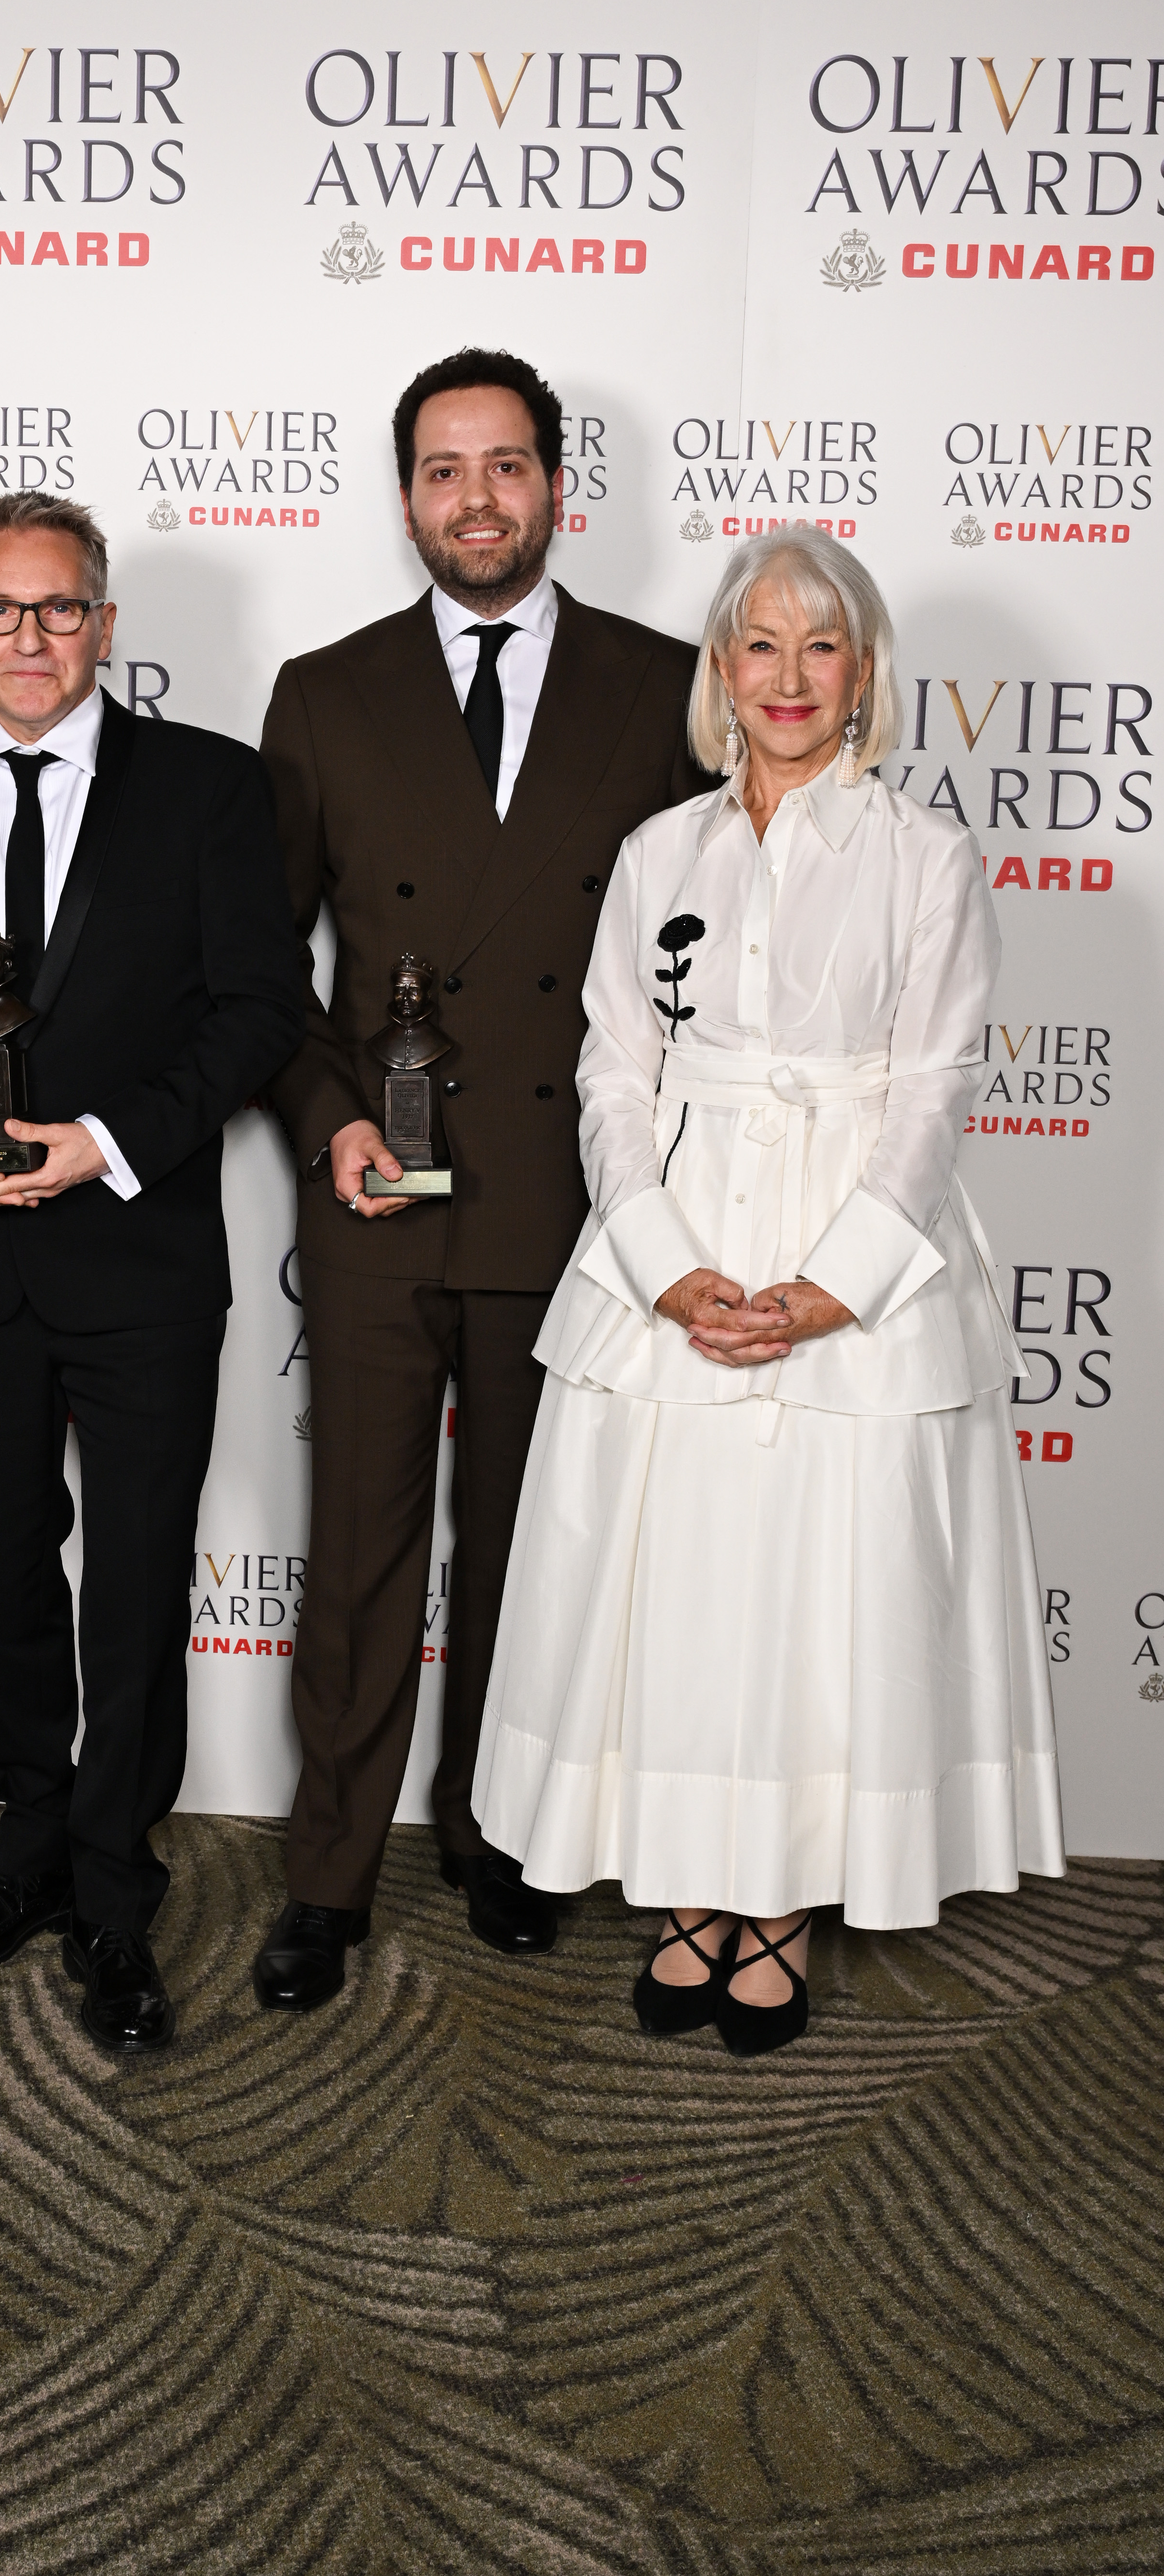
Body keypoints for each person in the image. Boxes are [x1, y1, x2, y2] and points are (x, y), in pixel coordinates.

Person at [472, 525, 1065, 2056]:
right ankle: (688, 1890)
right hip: (674, 1256)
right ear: (720, 672)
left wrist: (832, 1288)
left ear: (859, 671)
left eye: (821, 646)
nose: (789, 676)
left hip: (851, 1263)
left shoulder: (925, 857)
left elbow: (934, 1095)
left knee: (820, 1594)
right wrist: (666, 1272)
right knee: (681, 1588)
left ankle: (785, 1902)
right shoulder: (657, 853)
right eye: (760, 644)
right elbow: (611, 1075)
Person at [253, 346, 715, 2013]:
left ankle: (502, 1839)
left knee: (533, 1549)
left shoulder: (667, 686)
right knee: (359, 1557)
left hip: (571, 1200)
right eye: (444, 471)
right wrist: (331, 1125)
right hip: (378, 1201)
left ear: (554, 488)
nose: (476, 499)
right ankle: (326, 1874)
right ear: (403, 500)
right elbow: (259, 969)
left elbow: (709, 969)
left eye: (505, 467)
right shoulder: (325, 690)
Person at [0, 490, 305, 2055]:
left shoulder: (208, 791)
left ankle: (117, 1887)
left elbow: (254, 1016)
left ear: (105, 628)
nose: (26, 640)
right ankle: (28, 1850)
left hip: (140, 1260)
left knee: (130, 1593)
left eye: (57, 612)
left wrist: (101, 1141)